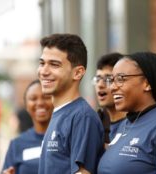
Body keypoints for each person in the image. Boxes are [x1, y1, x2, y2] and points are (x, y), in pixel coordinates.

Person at [97, 51, 156, 174]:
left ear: (147, 83)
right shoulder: (125, 124)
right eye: (112, 80)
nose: (112, 87)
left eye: (121, 79)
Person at [37, 33, 104, 174]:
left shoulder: (82, 117)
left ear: (78, 73)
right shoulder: (59, 113)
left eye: (54, 65)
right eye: (42, 63)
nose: (44, 71)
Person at [1, 79, 53, 174]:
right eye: (33, 98)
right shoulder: (16, 144)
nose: (40, 103)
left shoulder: (69, 139)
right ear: (26, 106)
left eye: (46, 97)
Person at [93, 53, 126, 147]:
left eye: (108, 79)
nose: (100, 85)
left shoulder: (135, 123)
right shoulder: (95, 122)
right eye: (98, 79)